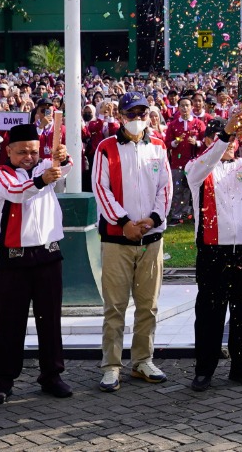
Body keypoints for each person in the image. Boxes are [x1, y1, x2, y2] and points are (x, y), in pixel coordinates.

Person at [93, 91, 173, 391]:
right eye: (131, 113)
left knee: (148, 305)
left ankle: (142, 360)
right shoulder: (105, 147)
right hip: (117, 240)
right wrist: (124, 222)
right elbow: (101, 189)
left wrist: (153, 219)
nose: (138, 119)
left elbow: (165, 188)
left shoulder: (159, 146)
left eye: (142, 113)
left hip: (151, 238)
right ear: (120, 116)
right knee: (115, 306)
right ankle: (111, 365)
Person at [0, 122, 71, 404]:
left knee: (50, 319)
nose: (29, 157)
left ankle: (52, 375)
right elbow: (17, 192)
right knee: (9, 320)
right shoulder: (0, 173)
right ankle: (4, 378)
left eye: (33, 151)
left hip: (48, 254)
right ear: (9, 151)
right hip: (14, 256)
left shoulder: (45, 166)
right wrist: (43, 179)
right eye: (22, 152)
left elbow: (65, 166)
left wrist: (62, 156)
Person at [185, 112, 242, 391]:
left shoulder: (241, 165)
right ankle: (204, 369)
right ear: (210, 140)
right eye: (225, 139)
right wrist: (224, 136)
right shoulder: (197, 167)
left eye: (233, 140)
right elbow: (202, 165)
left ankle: (239, 364)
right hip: (212, 249)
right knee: (210, 310)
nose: (231, 144)